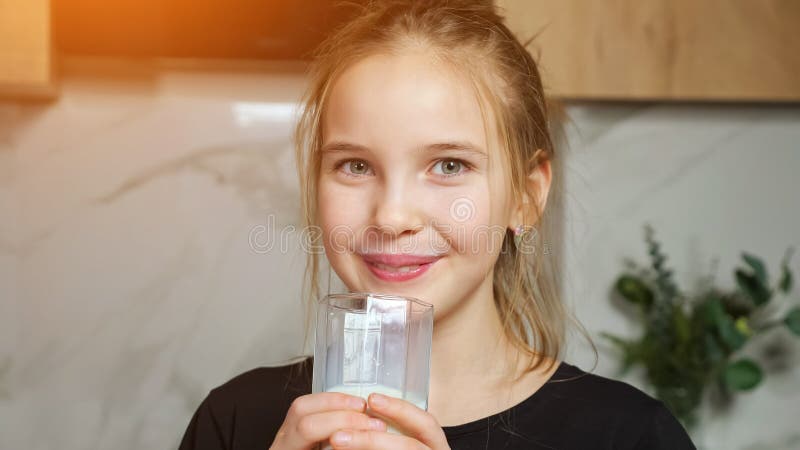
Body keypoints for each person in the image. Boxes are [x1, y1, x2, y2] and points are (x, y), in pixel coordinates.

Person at [179, 1, 695, 449]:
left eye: (449, 165)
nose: (392, 217)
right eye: (355, 166)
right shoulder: (233, 422)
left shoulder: (628, 437)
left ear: (526, 195)